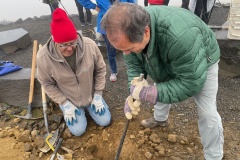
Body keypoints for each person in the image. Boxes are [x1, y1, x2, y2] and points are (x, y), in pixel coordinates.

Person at [101, 3, 223, 159]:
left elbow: (190, 82)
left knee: (207, 113)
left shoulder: (181, 37)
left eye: (129, 49)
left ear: (145, 32)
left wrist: (152, 92)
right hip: (169, 52)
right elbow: (134, 65)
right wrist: (134, 90)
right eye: (121, 49)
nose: (125, 54)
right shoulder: (132, 30)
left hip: (200, 61)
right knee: (159, 84)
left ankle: (213, 156)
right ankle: (160, 120)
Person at [37, 8, 111, 136]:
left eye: (72, 42)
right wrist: (64, 103)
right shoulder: (43, 57)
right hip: (70, 100)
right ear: (55, 42)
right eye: (64, 45)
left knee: (105, 121)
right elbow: (46, 83)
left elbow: (100, 69)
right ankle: (71, 109)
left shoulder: (89, 46)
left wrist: (98, 94)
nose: (70, 48)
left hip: (91, 95)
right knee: (78, 131)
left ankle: (94, 103)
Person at [77, 0, 135, 82]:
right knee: (110, 50)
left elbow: (132, 2)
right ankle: (113, 71)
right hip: (106, 25)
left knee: (128, 48)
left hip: (124, 23)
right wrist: (93, 6)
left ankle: (132, 71)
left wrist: (130, 10)